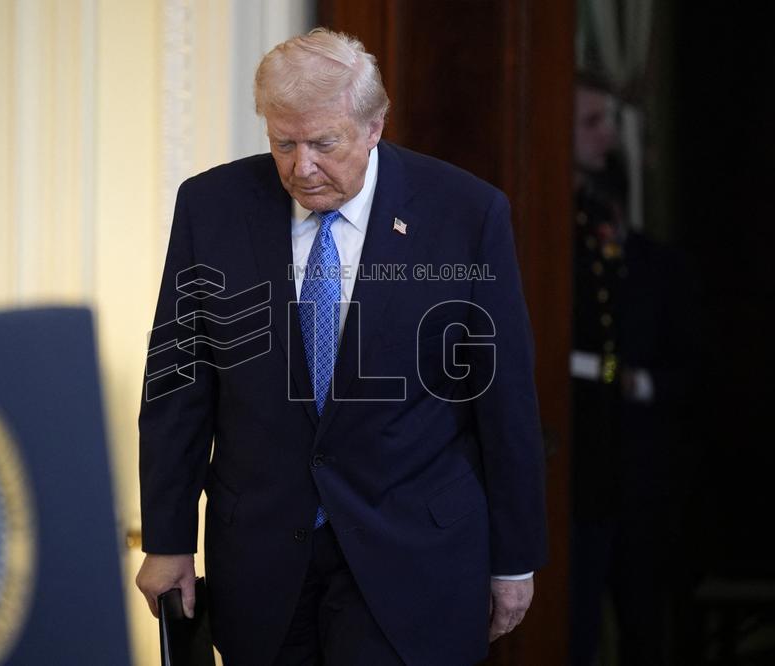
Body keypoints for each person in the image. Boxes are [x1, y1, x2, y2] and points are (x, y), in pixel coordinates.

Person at [136, 28, 547, 665]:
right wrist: (167, 539)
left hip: (413, 556)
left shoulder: (465, 214)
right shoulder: (210, 207)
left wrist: (515, 558)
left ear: (375, 125)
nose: (302, 166)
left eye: (324, 143)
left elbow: (504, 399)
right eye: (283, 143)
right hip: (264, 561)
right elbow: (178, 383)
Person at [570, 79, 699, 666]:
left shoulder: (656, 266)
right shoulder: (561, 241)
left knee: (644, 623)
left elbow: (687, 365)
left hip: (640, 473)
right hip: (580, 467)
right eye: (592, 121)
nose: (606, 136)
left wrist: (633, 381)